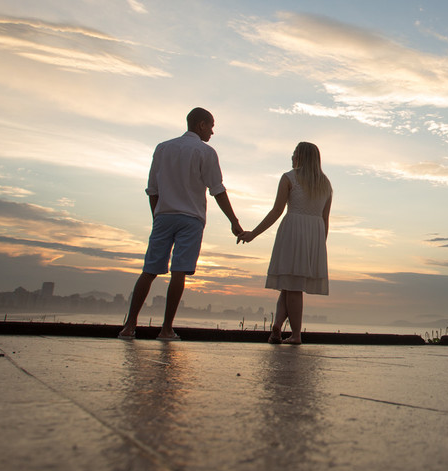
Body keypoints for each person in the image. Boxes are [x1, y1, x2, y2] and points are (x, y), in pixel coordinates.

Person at [119, 108, 243, 340]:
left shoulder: (163, 148)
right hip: (191, 219)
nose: (213, 132)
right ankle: (166, 329)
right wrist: (234, 221)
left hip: (163, 215)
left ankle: (129, 326)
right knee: (179, 272)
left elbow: (152, 189)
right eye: (211, 126)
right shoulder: (205, 152)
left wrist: (157, 217)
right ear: (201, 125)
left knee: (149, 270)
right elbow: (217, 189)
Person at [239, 141, 332, 345]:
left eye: (295, 153)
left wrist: (253, 234)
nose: (292, 157)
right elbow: (325, 219)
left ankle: (296, 334)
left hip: (292, 233)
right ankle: (277, 327)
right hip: (314, 236)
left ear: (302, 157)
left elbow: (276, 211)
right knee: (288, 286)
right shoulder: (325, 184)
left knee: (293, 286)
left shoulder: (289, 177)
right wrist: (319, 246)